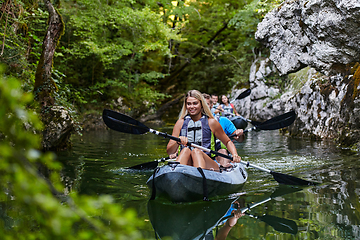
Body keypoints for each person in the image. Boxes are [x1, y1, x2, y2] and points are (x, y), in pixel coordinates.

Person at [166, 90, 241, 170]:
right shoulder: (180, 123)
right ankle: (177, 173)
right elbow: (170, 151)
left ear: (201, 104)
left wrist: (234, 154)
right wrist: (177, 141)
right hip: (188, 163)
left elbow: (227, 141)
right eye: (189, 104)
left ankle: (199, 177)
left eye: (195, 103)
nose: (191, 107)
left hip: (209, 162)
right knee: (185, 150)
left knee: (196, 151)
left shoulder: (211, 122)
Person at [203, 93, 244, 167]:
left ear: (211, 106)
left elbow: (239, 139)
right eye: (202, 104)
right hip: (202, 153)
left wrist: (240, 134)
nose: (204, 107)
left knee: (222, 151)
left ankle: (224, 168)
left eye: (207, 104)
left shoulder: (223, 120)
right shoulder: (192, 123)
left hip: (220, 153)